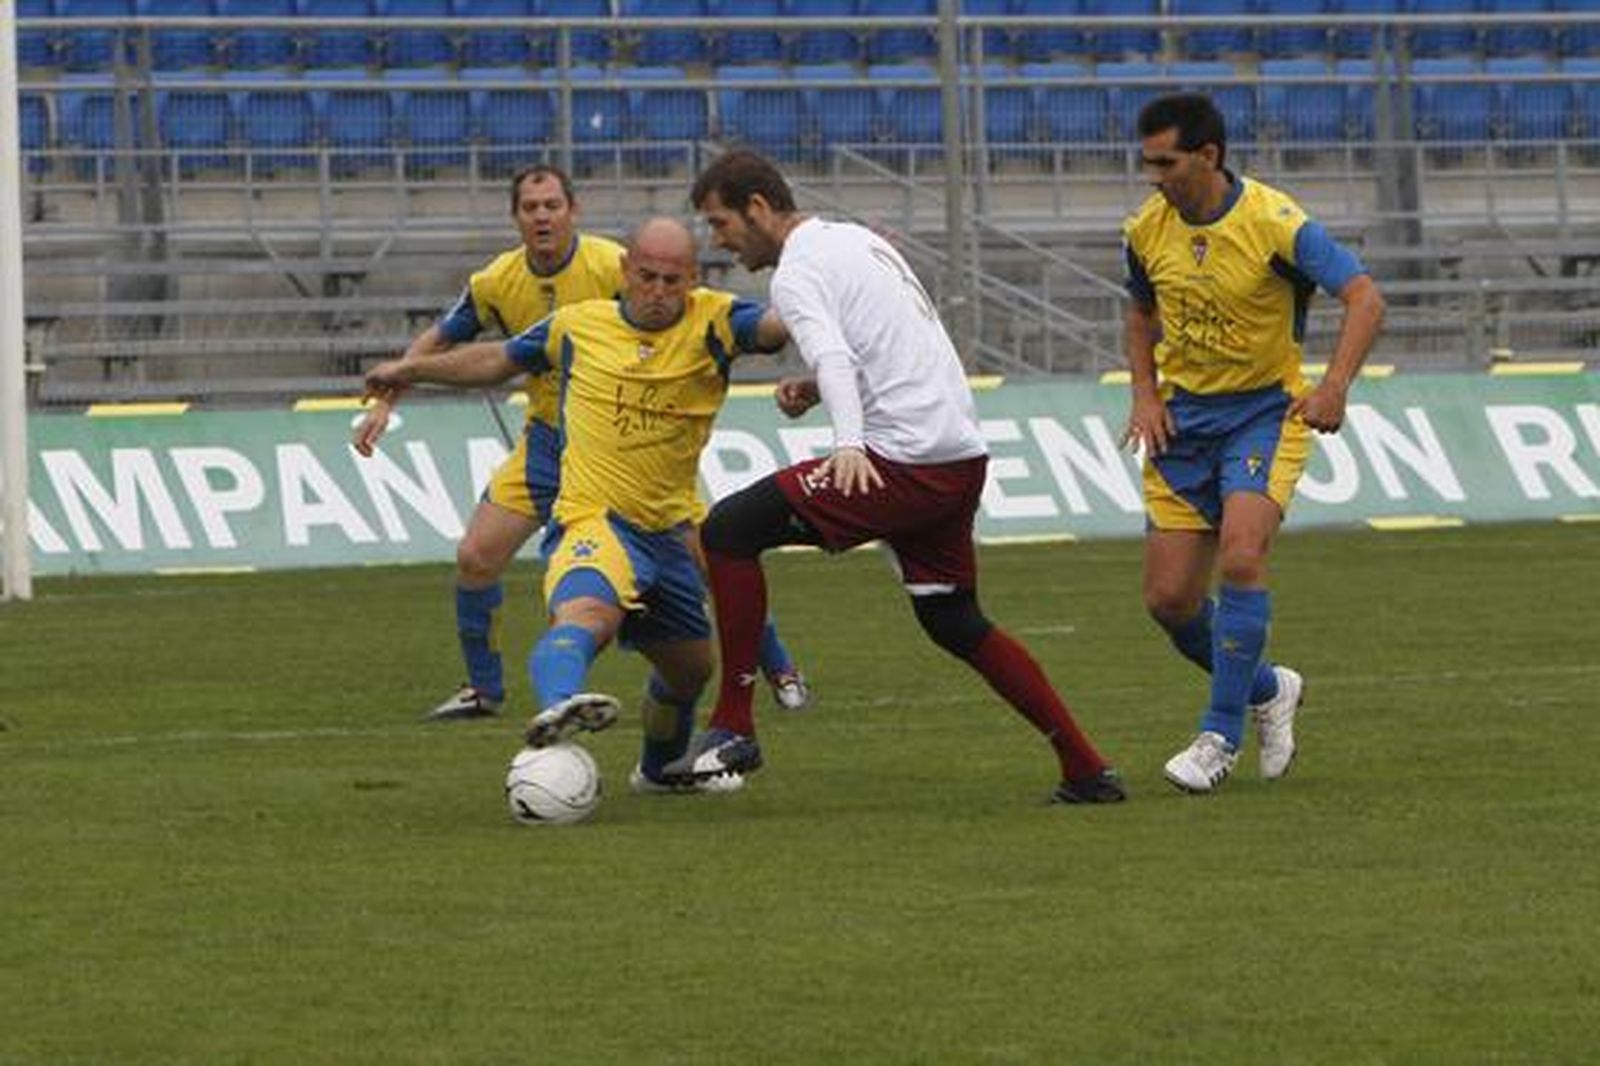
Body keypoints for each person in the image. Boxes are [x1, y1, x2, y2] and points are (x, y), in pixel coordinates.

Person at [662, 150, 1125, 805]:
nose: (718, 242)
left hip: (900, 460)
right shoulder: (855, 239)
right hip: (957, 455)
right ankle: (1087, 770)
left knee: (730, 531)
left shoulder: (796, 272)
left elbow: (833, 351)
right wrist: (821, 392)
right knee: (953, 619)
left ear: (758, 208)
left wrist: (848, 440)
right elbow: (891, 345)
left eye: (720, 223)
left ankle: (733, 727)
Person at [354, 164, 807, 722]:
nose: (542, 216)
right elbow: (470, 348)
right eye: (531, 207)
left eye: (552, 205)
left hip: (640, 454)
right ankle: (487, 691)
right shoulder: (503, 282)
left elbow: (755, 325)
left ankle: (779, 665)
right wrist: (402, 377)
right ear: (516, 216)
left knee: (712, 563)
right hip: (551, 441)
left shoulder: (616, 269)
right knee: (477, 557)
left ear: (573, 211)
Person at [1120, 93, 1386, 794]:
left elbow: (1364, 295)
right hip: (1184, 423)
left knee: (1242, 555)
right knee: (1169, 601)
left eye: (1165, 162)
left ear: (1208, 156)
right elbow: (1141, 313)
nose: (1154, 176)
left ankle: (1219, 735)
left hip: (1264, 415)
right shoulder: (1147, 229)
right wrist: (1144, 395)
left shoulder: (1274, 222)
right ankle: (1270, 688)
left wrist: (1334, 386)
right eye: (1146, 162)